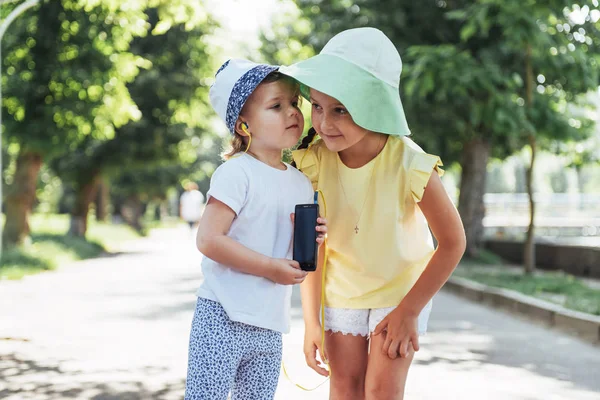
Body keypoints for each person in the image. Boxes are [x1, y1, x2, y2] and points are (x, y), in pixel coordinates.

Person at [281, 27, 466, 399]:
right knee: (345, 387)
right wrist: (311, 321)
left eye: (340, 110)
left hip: (401, 294)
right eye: (317, 106)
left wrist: (410, 310)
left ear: (374, 106)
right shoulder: (312, 162)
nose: (324, 123)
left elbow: (453, 242)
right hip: (340, 293)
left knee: (381, 391)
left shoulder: (411, 163)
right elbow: (311, 248)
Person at [184, 59, 328, 400]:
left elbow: (292, 255)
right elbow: (208, 239)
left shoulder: (301, 182)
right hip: (222, 315)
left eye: (294, 103)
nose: (292, 112)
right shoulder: (236, 173)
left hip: (269, 323)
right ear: (242, 123)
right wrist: (269, 267)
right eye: (276, 106)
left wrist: (310, 240)